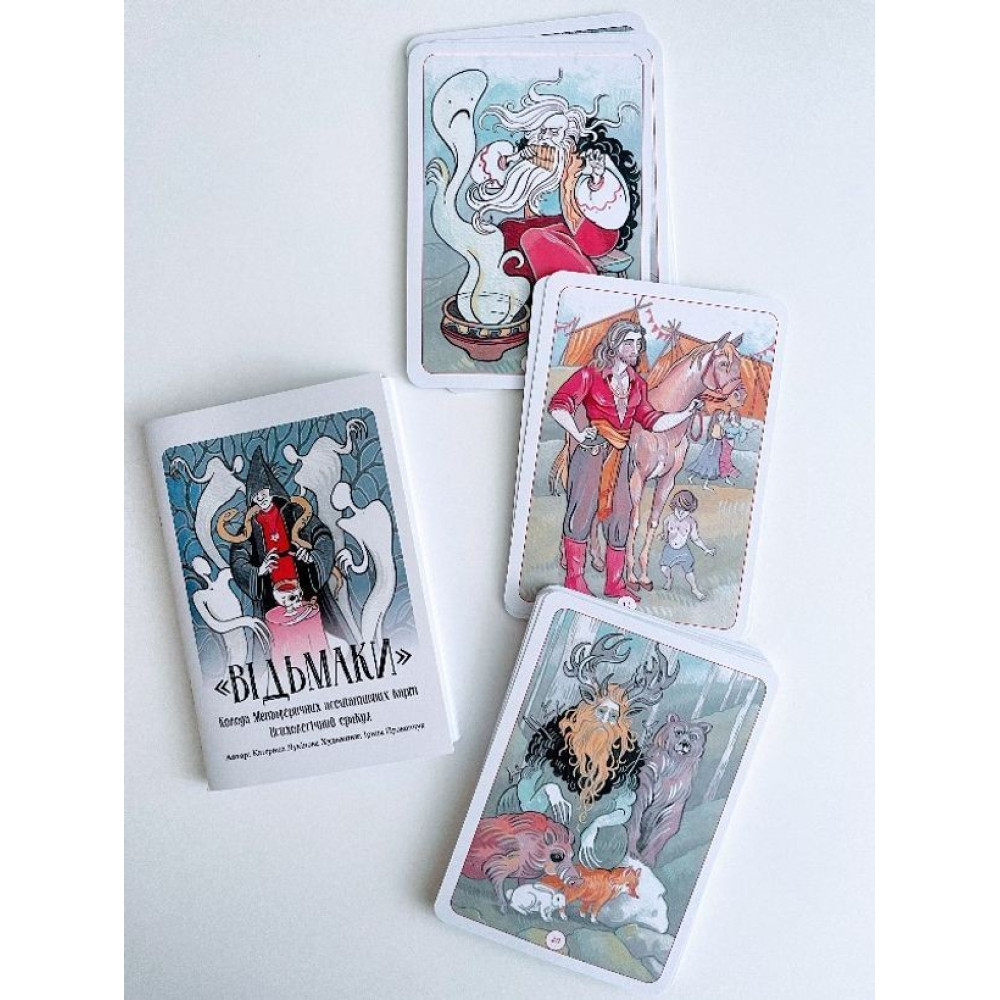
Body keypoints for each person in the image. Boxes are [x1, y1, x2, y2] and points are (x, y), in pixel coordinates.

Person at [548, 320, 701, 601]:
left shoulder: (637, 384)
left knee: (622, 513)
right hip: (592, 452)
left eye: (638, 343)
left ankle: (614, 583)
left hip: (622, 456)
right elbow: (558, 404)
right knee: (582, 511)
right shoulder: (590, 375)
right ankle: (574, 580)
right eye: (629, 342)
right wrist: (578, 434)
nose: (635, 348)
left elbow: (652, 421)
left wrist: (686, 413)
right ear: (614, 344)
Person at [466, 80, 638, 282]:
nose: (546, 137)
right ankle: (518, 287)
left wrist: (597, 177)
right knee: (510, 229)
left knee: (530, 237)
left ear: (568, 135)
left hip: (590, 231)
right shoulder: (547, 160)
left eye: (554, 132)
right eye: (543, 131)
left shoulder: (577, 161)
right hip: (563, 225)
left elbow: (594, 189)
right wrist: (509, 159)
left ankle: (578, 281)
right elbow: (533, 154)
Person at [659, 490, 715, 601]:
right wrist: (663, 536)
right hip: (670, 548)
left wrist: (706, 549)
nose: (680, 512)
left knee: (689, 571)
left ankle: (695, 589)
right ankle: (669, 580)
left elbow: (695, 538)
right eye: (678, 508)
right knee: (664, 568)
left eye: (684, 509)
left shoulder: (691, 522)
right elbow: (665, 534)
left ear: (689, 509)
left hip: (683, 550)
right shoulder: (668, 519)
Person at [686, 409, 726, 489]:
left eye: (722, 415)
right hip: (714, 446)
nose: (722, 417)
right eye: (721, 415)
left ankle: (691, 477)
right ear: (717, 416)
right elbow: (715, 436)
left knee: (705, 464)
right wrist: (721, 435)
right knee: (710, 465)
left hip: (715, 446)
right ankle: (705, 485)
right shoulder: (717, 425)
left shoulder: (717, 425)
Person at [719, 408, 750, 485]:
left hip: (730, 443)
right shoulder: (727, 423)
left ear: (736, 415)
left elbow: (745, 431)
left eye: (732, 414)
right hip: (724, 441)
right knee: (722, 458)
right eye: (730, 414)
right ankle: (725, 477)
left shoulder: (738, 425)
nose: (731, 416)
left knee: (726, 459)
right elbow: (722, 430)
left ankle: (729, 475)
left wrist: (752, 428)